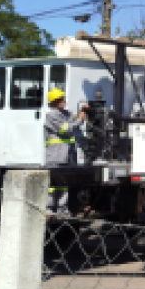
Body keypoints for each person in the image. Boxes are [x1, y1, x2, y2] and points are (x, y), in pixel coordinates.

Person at [44, 88, 88, 217]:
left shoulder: (67, 114)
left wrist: (84, 111)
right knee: (53, 185)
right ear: (55, 102)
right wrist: (80, 119)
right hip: (55, 155)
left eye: (63, 98)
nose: (64, 101)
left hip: (66, 155)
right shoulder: (52, 116)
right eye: (61, 99)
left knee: (63, 185)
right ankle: (49, 209)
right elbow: (66, 130)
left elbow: (75, 120)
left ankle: (62, 210)